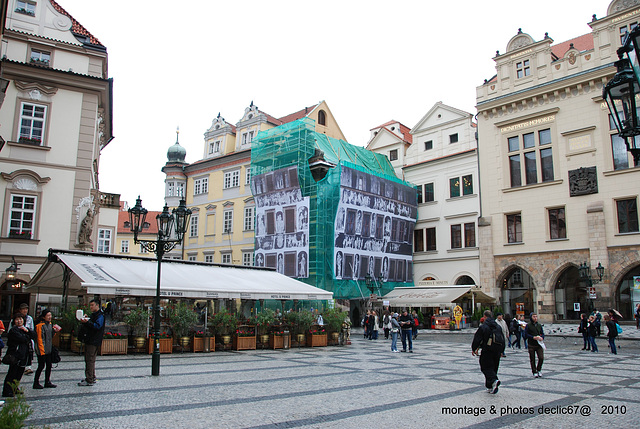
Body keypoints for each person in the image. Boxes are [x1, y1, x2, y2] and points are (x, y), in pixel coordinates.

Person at [2, 314, 35, 397]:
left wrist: (27, 331)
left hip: (24, 355)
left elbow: (34, 335)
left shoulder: (25, 329)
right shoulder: (13, 330)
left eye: (20, 319)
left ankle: (15, 388)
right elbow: (23, 339)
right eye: (17, 319)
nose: (19, 321)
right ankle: (7, 390)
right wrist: (27, 336)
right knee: (12, 373)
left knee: (19, 373)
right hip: (15, 355)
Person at [471, 310, 504, 394]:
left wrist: (474, 348)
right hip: (497, 350)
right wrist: (502, 351)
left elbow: (477, 338)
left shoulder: (484, 327)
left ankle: (494, 380)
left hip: (487, 350)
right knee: (493, 368)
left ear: (485, 317)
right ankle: (490, 386)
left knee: (485, 367)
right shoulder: (498, 326)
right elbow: (502, 339)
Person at [78, 299, 105, 386]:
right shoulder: (95, 315)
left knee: (89, 359)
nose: (91, 307)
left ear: (97, 305)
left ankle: (89, 379)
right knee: (90, 359)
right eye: (90, 305)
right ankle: (91, 376)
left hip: (93, 340)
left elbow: (97, 326)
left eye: (92, 305)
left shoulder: (100, 315)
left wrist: (88, 322)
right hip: (91, 339)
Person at [33, 309, 60, 389]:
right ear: (43, 317)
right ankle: (36, 382)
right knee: (41, 366)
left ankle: (47, 381)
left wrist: (54, 332)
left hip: (48, 349)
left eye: (50, 315)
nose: (50, 317)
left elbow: (49, 337)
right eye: (48, 315)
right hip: (42, 349)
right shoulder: (40, 326)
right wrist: (42, 350)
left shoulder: (50, 324)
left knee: (49, 365)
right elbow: (40, 339)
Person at [11, 303, 35, 375]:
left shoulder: (29, 318)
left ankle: (28, 367)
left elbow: (32, 331)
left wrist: (28, 332)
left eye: (26, 309)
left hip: (27, 343)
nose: (25, 310)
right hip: (17, 347)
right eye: (23, 309)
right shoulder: (14, 326)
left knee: (28, 354)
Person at [525, 312, 545, 378]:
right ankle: (534, 371)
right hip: (531, 344)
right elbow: (526, 334)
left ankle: (539, 369)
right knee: (532, 359)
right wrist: (532, 337)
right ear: (531, 317)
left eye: (536, 316)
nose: (535, 318)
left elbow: (542, 333)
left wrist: (542, 337)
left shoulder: (539, 325)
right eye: (534, 317)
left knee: (541, 358)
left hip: (539, 344)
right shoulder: (528, 325)